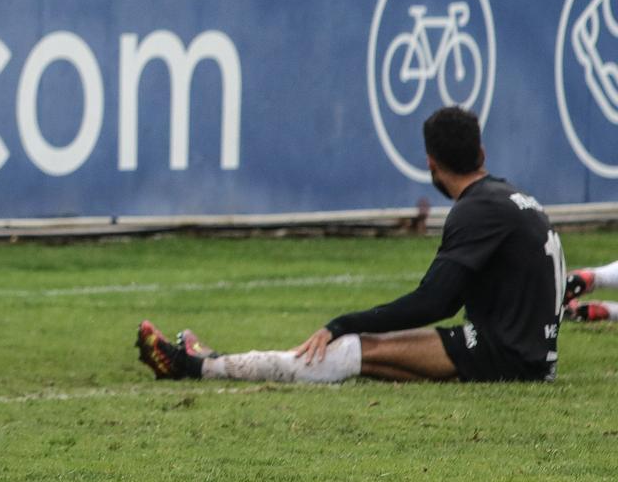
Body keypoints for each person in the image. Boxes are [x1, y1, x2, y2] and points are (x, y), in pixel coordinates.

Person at [137, 106, 562, 385]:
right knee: (369, 361)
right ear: (481, 152)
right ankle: (215, 361)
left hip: (506, 359)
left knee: (349, 351)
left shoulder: (475, 210)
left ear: (430, 163)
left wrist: (343, 322)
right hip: (532, 356)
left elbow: (434, 302)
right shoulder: (511, 197)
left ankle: (198, 365)